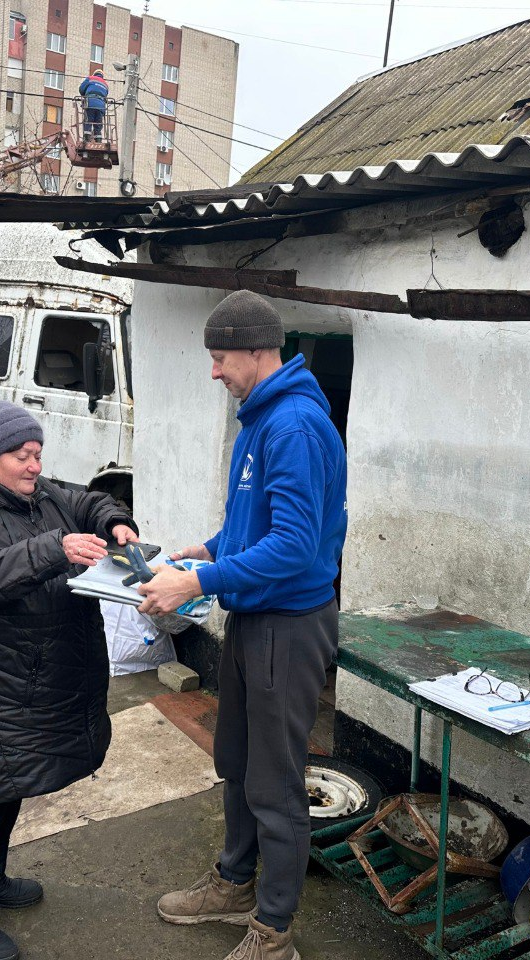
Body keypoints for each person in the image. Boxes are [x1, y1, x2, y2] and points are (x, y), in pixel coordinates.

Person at [138, 290, 348, 960]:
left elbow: (294, 545)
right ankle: (233, 884)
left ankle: (274, 931)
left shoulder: (292, 427)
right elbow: (252, 523)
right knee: (236, 762)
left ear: (258, 349)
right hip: (255, 620)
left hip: (289, 627)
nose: (213, 372)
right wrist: (211, 549)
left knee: (276, 782)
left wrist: (196, 581)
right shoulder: (260, 418)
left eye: (220, 357)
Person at [0, 400, 139, 960]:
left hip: (27, 682)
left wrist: (112, 521)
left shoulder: (39, 495)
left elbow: (84, 501)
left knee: (9, 785)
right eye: (22, 456)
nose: (33, 466)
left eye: (38, 455)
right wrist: (53, 548)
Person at [78, 69, 108, 139]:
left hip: (90, 103)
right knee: (98, 124)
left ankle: (87, 138)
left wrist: (85, 94)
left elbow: (81, 89)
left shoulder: (90, 78)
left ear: (94, 74)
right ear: (102, 76)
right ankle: (98, 139)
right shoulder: (105, 84)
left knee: (88, 121)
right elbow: (105, 94)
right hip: (101, 106)